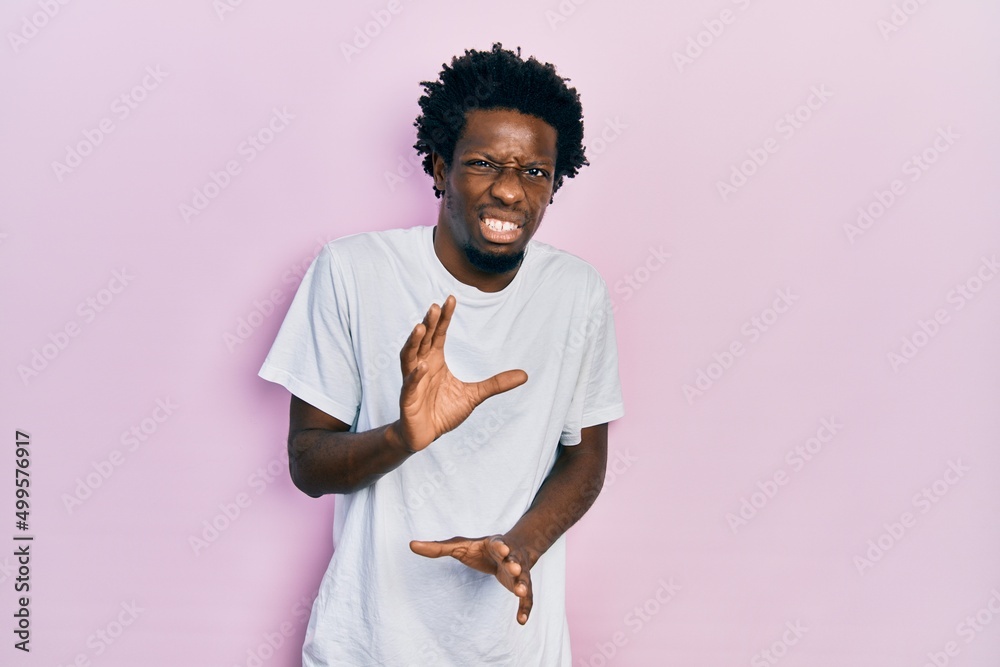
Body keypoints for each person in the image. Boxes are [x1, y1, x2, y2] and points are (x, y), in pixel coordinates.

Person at [258, 43, 624, 666]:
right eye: (483, 163)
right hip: (369, 644)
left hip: (516, 648)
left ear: (555, 185)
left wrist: (517, 548)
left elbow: (583, 463)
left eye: (534, 171)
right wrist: (404, 435)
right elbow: (307, 464)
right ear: (437, 168)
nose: (510, 191)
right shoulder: (352, 271)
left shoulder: (577, 292)